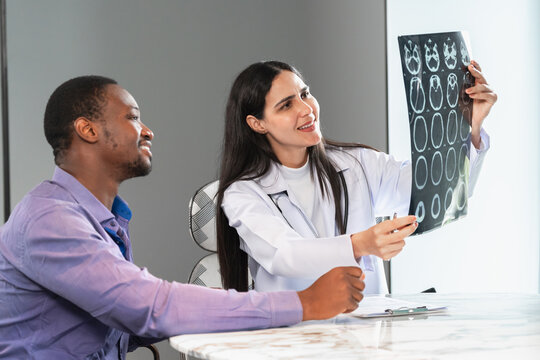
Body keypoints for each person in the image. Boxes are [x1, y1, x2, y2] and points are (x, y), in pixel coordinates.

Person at [0, 76, 367, 359]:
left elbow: (124, 325)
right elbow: (149, 307)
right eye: (132, 117)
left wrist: (223, 306)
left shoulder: (100, 217)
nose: (147, 130)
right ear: (87, 130)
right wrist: (304, 303)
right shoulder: (50, 219)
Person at [217, 60, 496, 293]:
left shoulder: (356, 163)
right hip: (294, 342)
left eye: (305, 94)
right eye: (286, 105)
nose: (306, 109)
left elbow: (440, 191)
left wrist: (468, 128)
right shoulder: (243, 194)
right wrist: (360, 244)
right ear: (257, 123)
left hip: (366, 338)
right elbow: (284, 255)